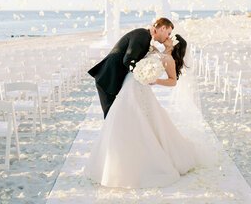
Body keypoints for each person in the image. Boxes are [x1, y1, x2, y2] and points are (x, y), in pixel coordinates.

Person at [84, 33, 200, 188]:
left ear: (174, 44)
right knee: (123, 118)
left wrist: (155, 80)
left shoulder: (169, 59)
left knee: (139, 121)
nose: (168, 36)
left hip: (141, 89)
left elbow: (173, 81)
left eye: (171, 37)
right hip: (130, 85)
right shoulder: (154, 49)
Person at [87, 17, 174, 118]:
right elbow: (128, 59)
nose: (168, 37)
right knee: (112, 117)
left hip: (115, 79)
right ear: (162, 28)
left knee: (118, 117)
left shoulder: (146, 37)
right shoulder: (142, 35)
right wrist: (143, 76)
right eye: (168, 33)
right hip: (108, 79)